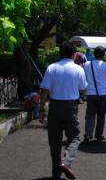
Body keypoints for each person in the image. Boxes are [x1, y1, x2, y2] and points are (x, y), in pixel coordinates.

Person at [39, 41, 87, 180]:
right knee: (74, 136)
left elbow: (44, 90)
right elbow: (83, 89)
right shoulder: (78, 69)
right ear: (74, 54)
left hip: (54, 106)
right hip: (71, 106)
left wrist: (42, 109)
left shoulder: (52, 68)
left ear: (60, 53)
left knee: (54, 140)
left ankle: (56, 173)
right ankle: (66, 162)